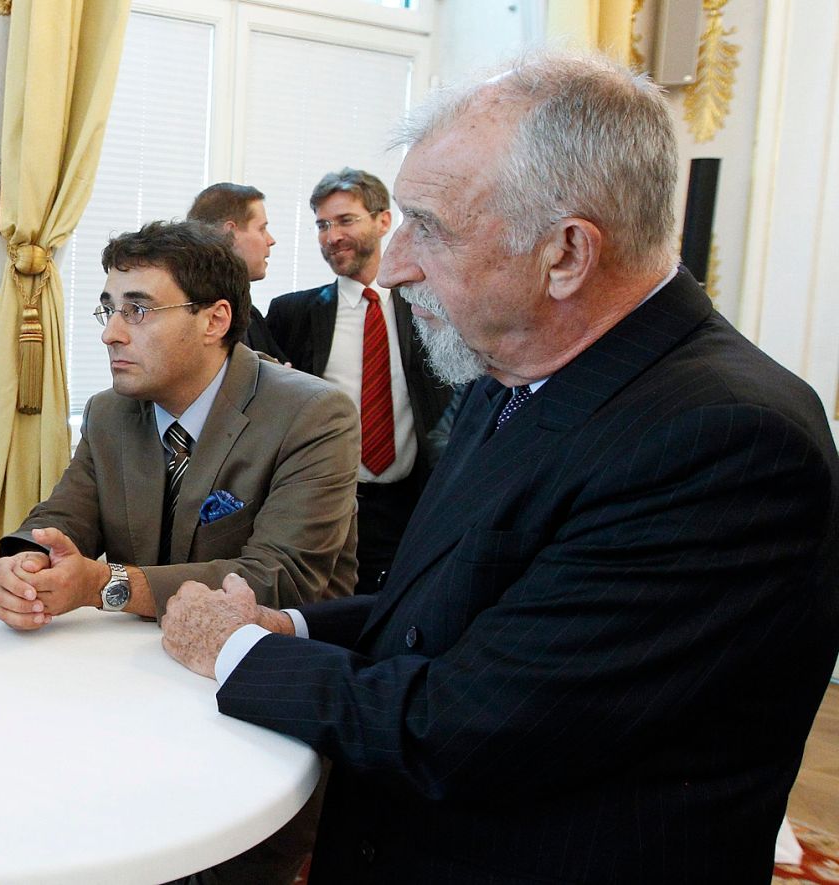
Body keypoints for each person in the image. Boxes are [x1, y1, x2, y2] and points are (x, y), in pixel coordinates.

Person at [160, 51, 839, 884]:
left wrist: (235, 654)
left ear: (566, 255)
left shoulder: (728, 442)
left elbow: (466, 727)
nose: (397, 261)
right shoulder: (512, 366)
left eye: (430, 227)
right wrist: (291, 625)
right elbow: (458, 602)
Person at [0, 219, 358, 884]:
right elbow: (61, 515)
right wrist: (25, 562)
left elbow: (277, 578)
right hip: (132, 704)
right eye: (109, 307)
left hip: (260, 718)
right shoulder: (109, 412)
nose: (109, 331)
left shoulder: (313, 414)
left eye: (138, 309)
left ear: (216, 318)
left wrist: (104, 583)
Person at [266, 169, 456, 592]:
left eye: (345, 220)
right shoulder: (291, 315)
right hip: (325, 508)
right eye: (322, 225)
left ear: (383, 221)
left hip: (413, 506)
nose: (331, 236)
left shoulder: (430, 309)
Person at [186, 182, 286, 362]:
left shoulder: (251, 314)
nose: (271, 240)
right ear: (231, 233)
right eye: (261, 229)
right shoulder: (191, 316)